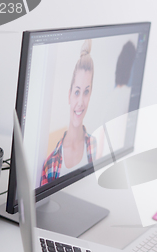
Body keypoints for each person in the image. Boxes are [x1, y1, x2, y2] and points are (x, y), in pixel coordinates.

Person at [41, 40, 97, 185]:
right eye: (77, 91)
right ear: (69, 95)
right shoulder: (50, 163)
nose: (80, 102)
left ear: (90, 96)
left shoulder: (96, 148)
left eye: (86, 92)